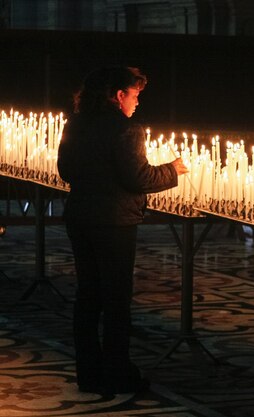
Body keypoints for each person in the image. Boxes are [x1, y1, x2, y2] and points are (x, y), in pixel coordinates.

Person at [57, 66, 188, 395]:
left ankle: (89, 374)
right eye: (135, 95)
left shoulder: (76, 122)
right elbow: (138, 179)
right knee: (116, 300)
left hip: (80, 217)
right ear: (119, 95)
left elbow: (65, 170)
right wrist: (172, 170)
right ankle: (118, 373)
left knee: (88, 296)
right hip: (114, 222)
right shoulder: (127, 129)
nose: (137, 103)